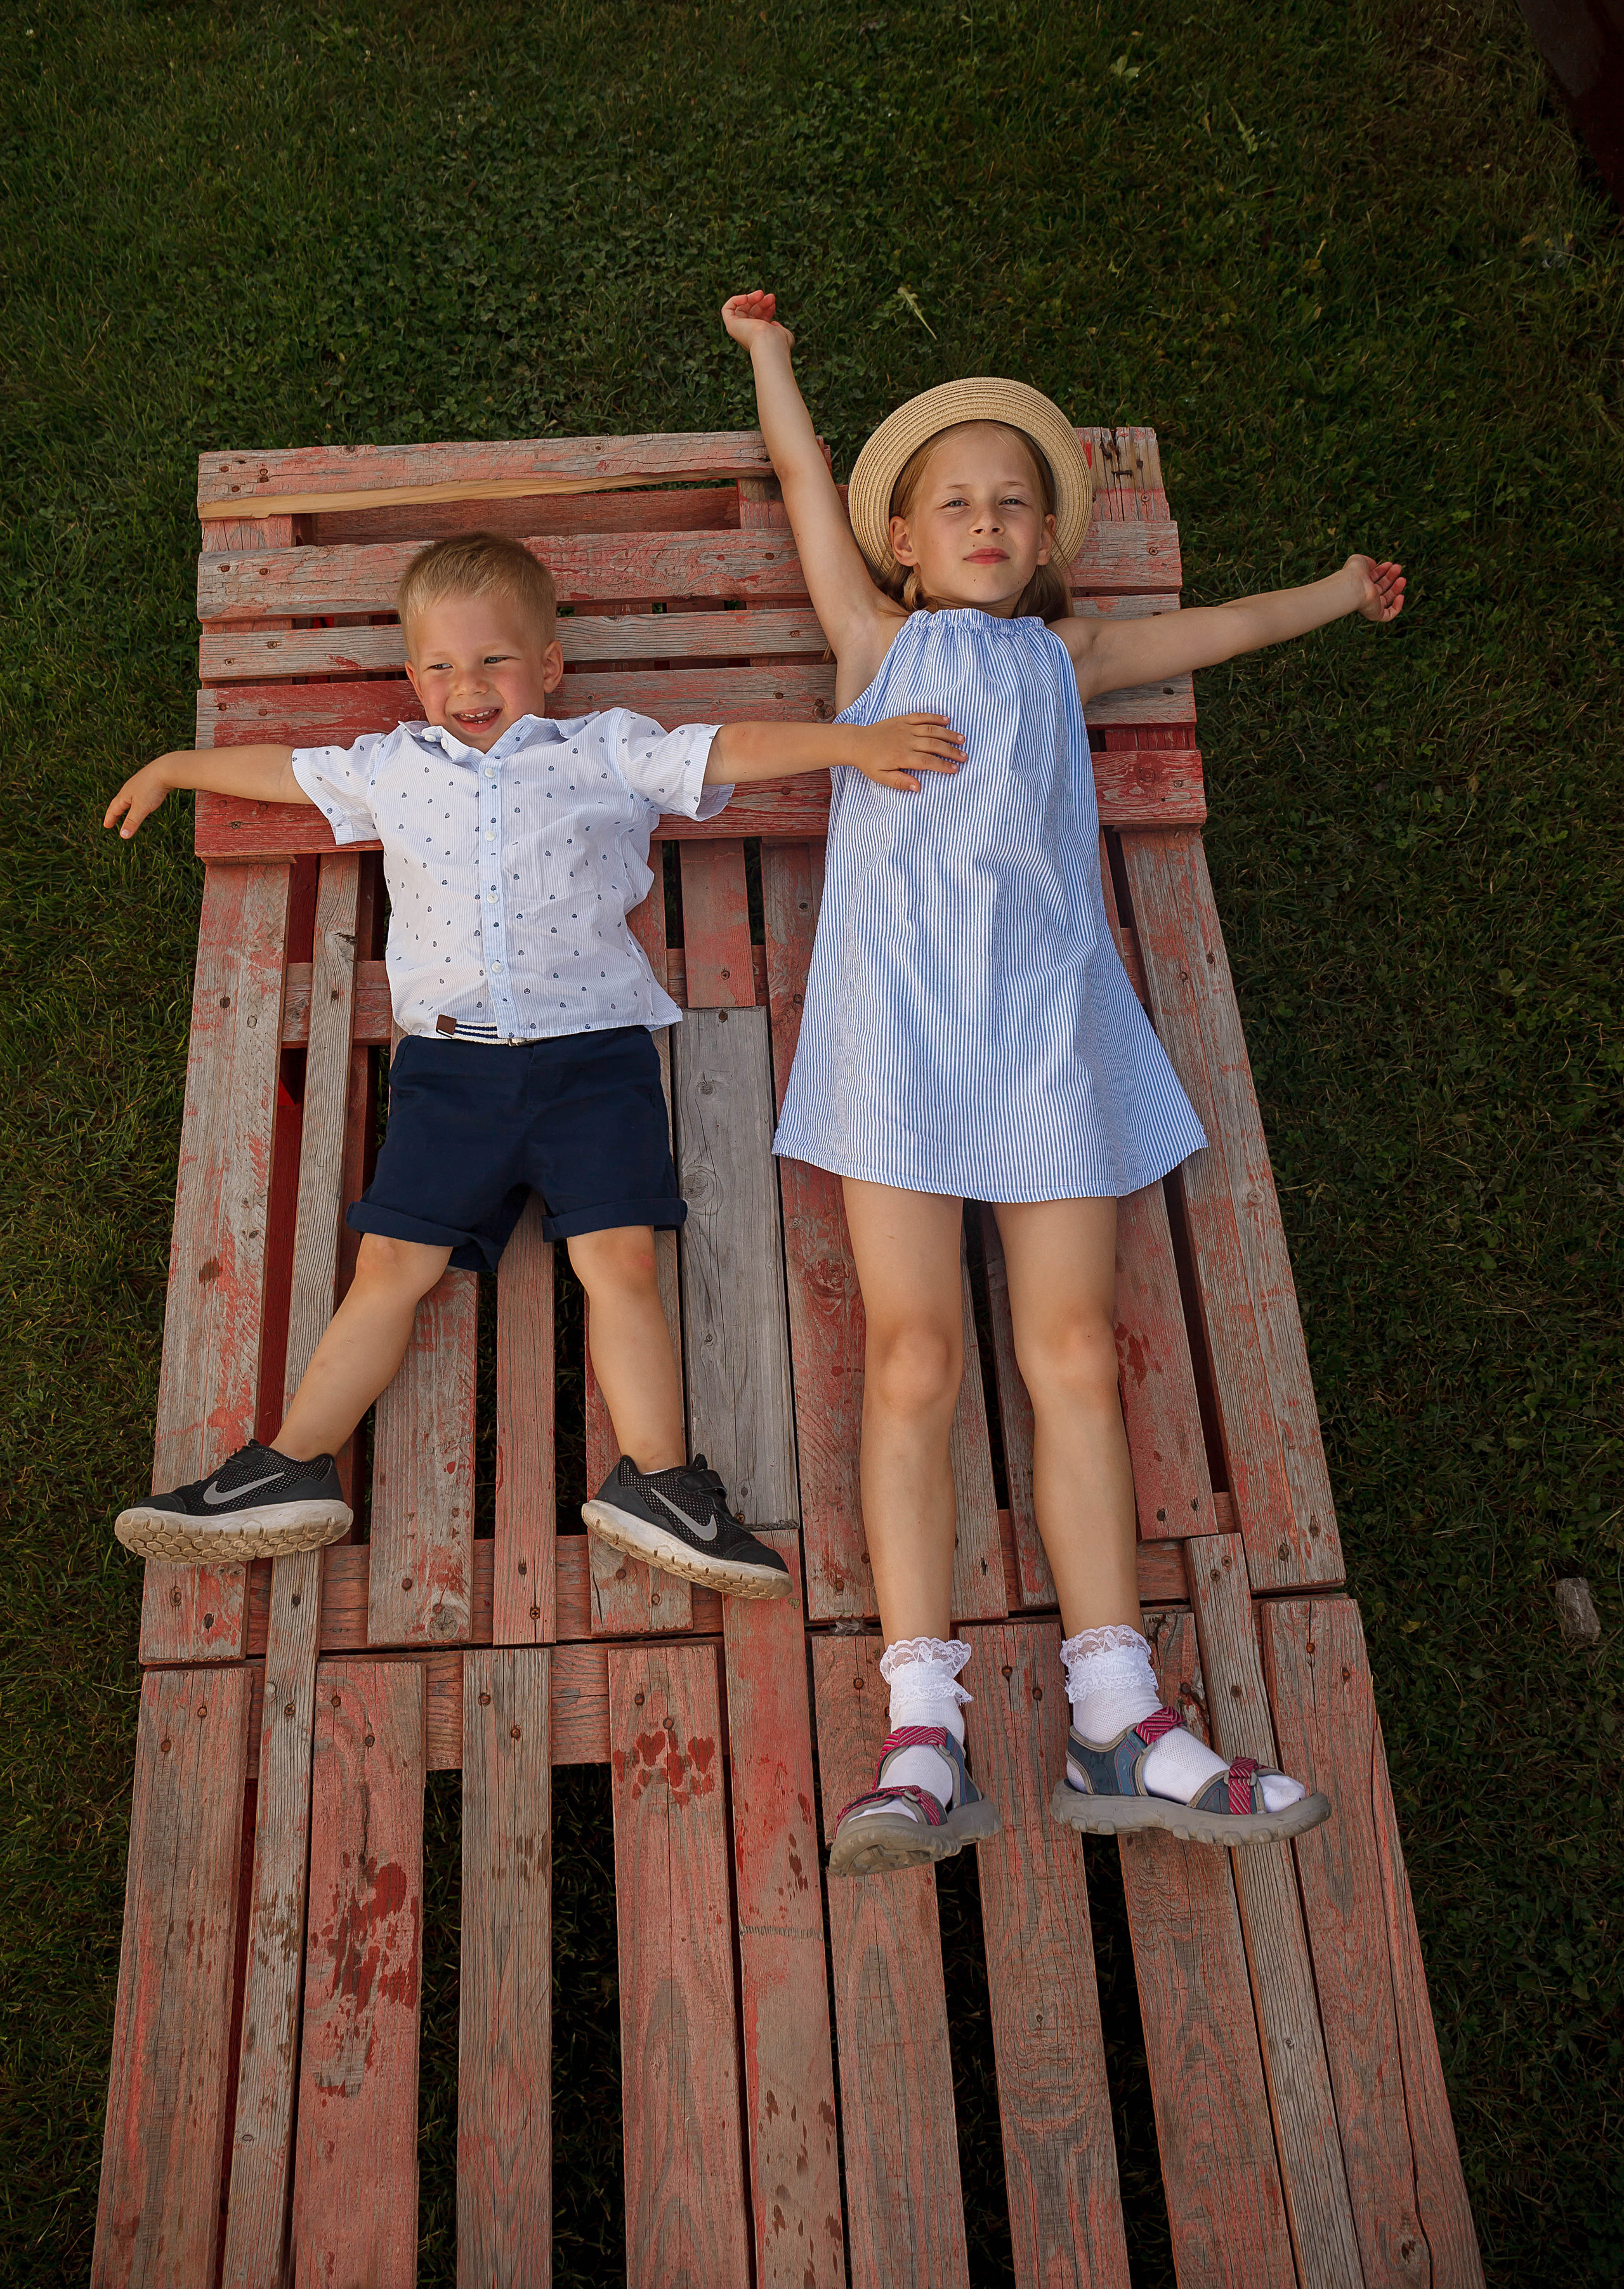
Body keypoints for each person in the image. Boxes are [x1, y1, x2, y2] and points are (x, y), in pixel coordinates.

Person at [722, 289, 1405, 1861]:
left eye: (1009, 503)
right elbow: (801, 483)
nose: (983, 517)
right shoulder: (870, 640)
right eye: (951, 502)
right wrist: (770, 357)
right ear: (900, 541)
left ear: (1042, 548)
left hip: (1045, 1032)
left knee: (1075, 1353)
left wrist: (1328, 590)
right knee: (908, 1359)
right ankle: (920, 1730)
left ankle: (1117, 1718)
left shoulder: (1069, 656)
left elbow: (1219, 631)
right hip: (895, 1027)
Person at [105, 528, 963, 1597]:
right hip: (452, 1071)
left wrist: (851, 745)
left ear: (549, 665)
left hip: (592, 1064)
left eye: (495, 661)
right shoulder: (391, 768)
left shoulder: (605, 748)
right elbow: (282, 773)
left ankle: (658, 1480)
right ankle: (290, 1466)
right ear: (412, 677)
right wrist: (177, 766)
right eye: (441, 667)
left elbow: (726, 750)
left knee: (623, 1265)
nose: (468, 686)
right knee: (392, 1268)